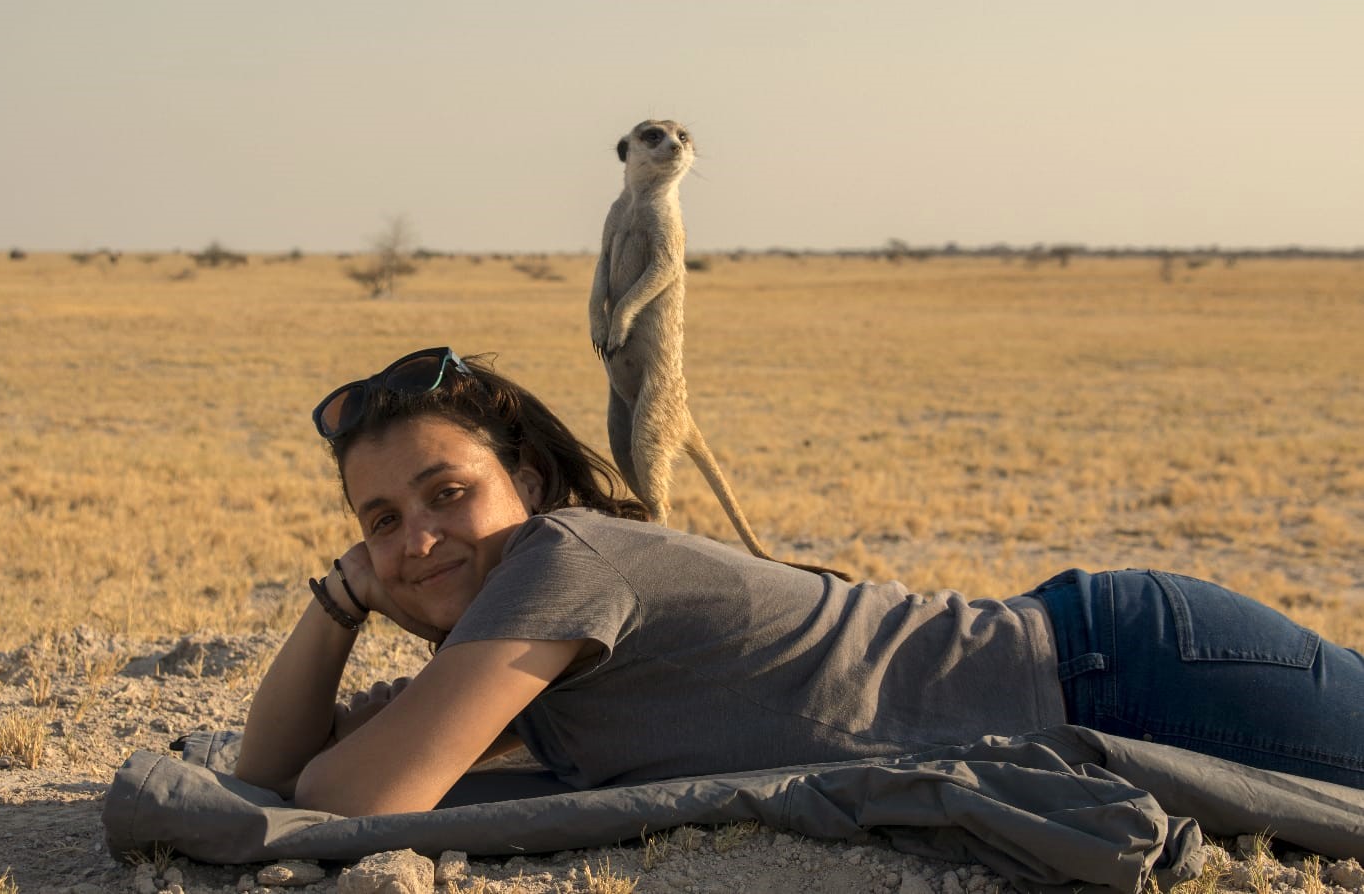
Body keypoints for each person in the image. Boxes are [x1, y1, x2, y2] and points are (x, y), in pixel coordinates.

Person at [234, 348, 1364, 816]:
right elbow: (276, 773)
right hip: (1095, 667)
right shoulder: (504, 644)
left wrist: (363, 584)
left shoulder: (560, 562)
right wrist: (339, 601)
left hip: (1122, 669)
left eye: (447, 493)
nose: (419, 539)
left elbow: (354, 798)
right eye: (382, 521)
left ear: (524, 482)